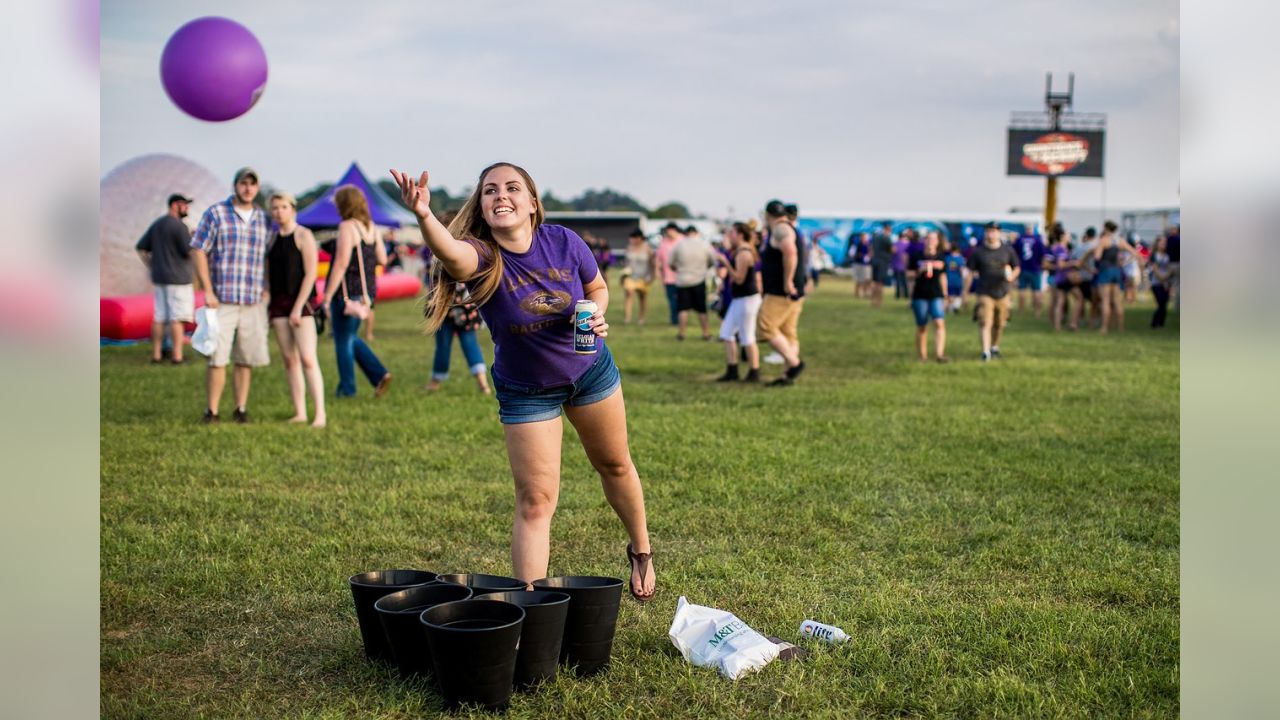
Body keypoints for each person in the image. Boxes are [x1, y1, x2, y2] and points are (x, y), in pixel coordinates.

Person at [391, 163, 655, 602]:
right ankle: (530, 608)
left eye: (512, 188)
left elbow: (598, 287)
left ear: (532, 204)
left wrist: (595, 309)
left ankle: (641, 549)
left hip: (590, 373)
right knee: (535, 501)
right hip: (527, 392)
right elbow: (451, 255)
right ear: (483, 205)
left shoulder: (564, 242)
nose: (501, 196)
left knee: (615, 464)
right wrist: (423, 215)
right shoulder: (482, 257)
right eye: (490, 190)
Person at [190, 167, 271, 424]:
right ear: (235, 185)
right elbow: (198, 249)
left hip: (252, 298)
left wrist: (267, 287)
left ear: (257, 188)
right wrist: (207, 289)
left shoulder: (264, 219)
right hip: (223, 297)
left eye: (252, 184)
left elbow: (269, 256)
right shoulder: (216, 214)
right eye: (243, 183)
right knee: (217, 357)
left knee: (245, 358)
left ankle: (241, 407)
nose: (248, 188)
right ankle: (212, 410)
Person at [318, 185, 393, 397]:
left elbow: (340, 263)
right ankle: (379, 374)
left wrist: (327, 296)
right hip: (366, 293)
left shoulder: (347, 227)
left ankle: (347, 389)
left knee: (343, 341)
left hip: (347, 292)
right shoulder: (371, 227)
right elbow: (382, 259)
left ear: (344, 204)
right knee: (350, 336)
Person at [265, 191, 326, 427]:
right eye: (275, 208)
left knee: (308, 359)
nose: (279, 212)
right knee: (290, 360)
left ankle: (320, 413)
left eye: (283, 207)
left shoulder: (303, 235)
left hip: (302, 303)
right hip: (278, 304)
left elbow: (311, 273)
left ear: (292, 209)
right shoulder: (272, 238)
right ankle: (300, 411)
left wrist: (298, 307)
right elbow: (269, 273)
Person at [136, 193, 194, 365]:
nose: (187, 208)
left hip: (160, 278)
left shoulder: (157, 224)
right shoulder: (179, 226)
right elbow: (188, 251)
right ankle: (177, 356)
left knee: (159, 316)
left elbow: (141, 248)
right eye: (184, 204)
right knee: (177, 317)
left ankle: (156, 355)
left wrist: (152, 265)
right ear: (175, 205)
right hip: (178, 279)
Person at [757, 199, 807, 385]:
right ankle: (788, 375)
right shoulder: (789, 228)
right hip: (793, 290)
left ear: (768, 215)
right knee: (788, 332)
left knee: (765, 327)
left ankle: (794, 364)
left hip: (781, 290)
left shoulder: (780, 229)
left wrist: (787, 282)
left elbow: (790, 252)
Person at [714, 222, 762, 382]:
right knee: (726, 332)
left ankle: (754, 371)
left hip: (747, 299)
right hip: (739, 299)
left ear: (740, 235)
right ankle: (732, 369)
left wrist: (725, 263)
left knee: (747, 336)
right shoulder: (741, 251)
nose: (729, 236)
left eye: (732, 233)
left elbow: (739, 279)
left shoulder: (744, 253)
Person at [967, 221, 1020, 361]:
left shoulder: (1007, 250)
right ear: (985, 233)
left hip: (1002, 292)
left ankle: (994, 347)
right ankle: (985, 352)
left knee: (999, 323)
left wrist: (1011, 277)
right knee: (985, 321)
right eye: (989, 231)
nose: (991, 234)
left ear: (999, 233)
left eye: (994, 231)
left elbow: (1017, 267)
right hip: (985, 291)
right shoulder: (978, 252)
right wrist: (965, 293)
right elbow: (970, 272)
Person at [426, 283, 490, 394]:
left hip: (459, 308)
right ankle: (435, 381)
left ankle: (483, 384)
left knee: (467, 344)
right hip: (449, 308)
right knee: (445, 347)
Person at [1092, 220, 1143, 335]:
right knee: (1117, 300)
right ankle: (1120, 327)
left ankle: (1104, 328)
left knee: (1105, 300)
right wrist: (1124, 262)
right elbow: (1135, 253)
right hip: (1117, 271)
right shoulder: (1120, 241)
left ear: (1105, 228)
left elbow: (1097, 257)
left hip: (1105, 270)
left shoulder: (1103, 241)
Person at [669, 223, 716, 341]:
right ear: (696, 233)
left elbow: (671, 263)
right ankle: (706, 333)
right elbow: (712, 260)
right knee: (701, 309)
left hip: (682, 280)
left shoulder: (679, 245)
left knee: (683, 308)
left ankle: (681, 333)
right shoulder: (704, 245)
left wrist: (679, 270)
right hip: (699, 279)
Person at [908, 231, 949, 362]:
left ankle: (939, 354)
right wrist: (920, 270)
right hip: (920, 294)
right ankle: (922, 356)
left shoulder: (941, 257)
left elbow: (943, 276)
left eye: (933, 239)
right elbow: (908, 275)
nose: (931, 241)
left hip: (936, 294)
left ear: (937, 241)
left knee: (939, 322)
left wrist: (945, 294)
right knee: (922, 325)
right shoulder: (916, 256)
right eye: (928, 238)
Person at [621, 229, 655, 325]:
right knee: (629, 293)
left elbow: (652, 264)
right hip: (630, 277)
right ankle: (627, 318)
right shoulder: (628, 248)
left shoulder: (647, 248)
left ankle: (641, 318)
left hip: (643, 277)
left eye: (633, 237)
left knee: (642, 297)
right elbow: (625, 262)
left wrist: (652, 276)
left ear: (639, 238)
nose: (631, 240)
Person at [1013, 225, 1048, 316]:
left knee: (1022, 290)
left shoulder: (1020, 239)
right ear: (1032, 230)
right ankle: (1037, 311)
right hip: (1035, 268)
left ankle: (1021, 310)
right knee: (1036, 291)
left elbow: (1014, 253)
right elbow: (1043, 254)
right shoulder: (1038, 240)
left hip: (1023, 268)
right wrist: (1042, 265)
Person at [1045, 224, 1074, 331]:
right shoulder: (1058, 248)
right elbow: (1047, 264)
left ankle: (1057, 322)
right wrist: (1072, 263)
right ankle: (1056, 323)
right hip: (1058, 277)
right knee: (1058, 301)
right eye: (1067, 235)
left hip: (1059, 277)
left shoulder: (1062, 248)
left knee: (1059, 301)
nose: (1069, 236)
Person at [654, 223, 682, 325]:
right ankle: (674, 319)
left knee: (680, 300)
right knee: (671, 300)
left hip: (681, 277)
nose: (668, 233)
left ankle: (680, 318)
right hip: (668, 277)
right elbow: (658, 258)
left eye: (669, 230)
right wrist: (657, 270)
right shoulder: (663, 243)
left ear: (675, 230)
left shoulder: (682, 240)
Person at [1149, 234, 1173, 328]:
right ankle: (1154, 323)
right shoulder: (1154, 255)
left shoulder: (1168, 255)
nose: (1164, 244)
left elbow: (1170, 268)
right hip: (1156, 283)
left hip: (1166, 282)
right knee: (1161, 303)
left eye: (1165, 242)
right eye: (1161, 242)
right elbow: (1154, 269)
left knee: (1165, 303)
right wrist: (1163, 280)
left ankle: (1161, 324)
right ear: (1157, 243)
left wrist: (1166, 279)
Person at [870, 222, 894, 307]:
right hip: (883, 262)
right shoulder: (887, 238)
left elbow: (871, 249)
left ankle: (872, 300)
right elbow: (892, 250)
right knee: (880, 283)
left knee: (874, 282)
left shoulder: (876, 237)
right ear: (888, 229)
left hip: (875, 261)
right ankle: (879, 302)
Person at [943, 239, 967, 314]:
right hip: (957, 280)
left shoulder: (947, 258)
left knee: (949, 295)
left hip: (948, 280)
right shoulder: (961, 259)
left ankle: (950, 308)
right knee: (958, 295)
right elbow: (962, 270)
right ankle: (955, 307)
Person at [891, 230, 911, 300]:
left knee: (898, 281)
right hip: (905, 266)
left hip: (896, 265)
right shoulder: (908, 244)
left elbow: (893, 252)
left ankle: (898, 295)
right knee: (905, 281)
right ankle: (906, 294)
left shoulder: (895, 244)